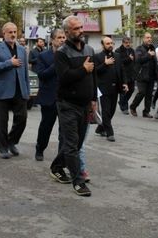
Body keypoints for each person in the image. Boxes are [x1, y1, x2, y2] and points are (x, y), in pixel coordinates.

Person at [49, 15, 97, 197]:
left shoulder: (90, 50)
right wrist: (83, 69)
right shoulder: (61, 53)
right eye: (76, 29)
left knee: (76, 143)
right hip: (67, 104)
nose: (80, 31)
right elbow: (64, 77)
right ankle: (78, 181)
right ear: (67, 32)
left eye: (81, 27)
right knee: (71, 144)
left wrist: (94, 99)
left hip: (85, 104)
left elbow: (94, 77)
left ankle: (56, 166)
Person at [0, 22, 30, 159]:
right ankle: (3, 148)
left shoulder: (22, 50)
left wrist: (27, 90)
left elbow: (25, 72)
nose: (13, 34)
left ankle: (12, 141)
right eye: (10, 32)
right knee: (2, 121)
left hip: (20, 89)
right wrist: (9, 63)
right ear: (4, 34)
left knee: (22, 119)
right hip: (3, 90)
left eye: (15, 32)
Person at [34, 28, 66, 161]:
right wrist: (56, 64)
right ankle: (40, 148)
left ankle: (61, 157)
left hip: (65, 98)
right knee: (46, 127)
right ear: (52, 40)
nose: (62, 40)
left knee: (64, 131)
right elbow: (41, 75)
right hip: (49, 98)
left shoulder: (68, 55)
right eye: (59, 37)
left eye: (64, 37)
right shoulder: (43, 56)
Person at [94, 36, 128, 141]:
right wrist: (105, 64)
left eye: (111, 43)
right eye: (107, 44)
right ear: (103, 45)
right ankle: (110, 133)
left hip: (115, 87)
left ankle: (100, 128)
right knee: (106, 111)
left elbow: (122, 70)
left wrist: (125, 83)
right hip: (103, 88)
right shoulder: (98, 56)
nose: (110, 45)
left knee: (112, 111)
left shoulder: (117, 56)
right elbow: (94, 71)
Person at [129, 32, 156, 118]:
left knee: (149, 94)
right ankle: (133, 107)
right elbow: (139, 60)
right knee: (142, 92)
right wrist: (148, 55)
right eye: (147, 37)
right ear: (143, 39)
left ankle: (146, 112)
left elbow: (154, 62)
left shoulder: (152, 48)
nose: (149, 39)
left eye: (150, 38)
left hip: (151, 75)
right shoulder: (139, 49)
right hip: (141, 75)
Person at [115, 36, 135, 115]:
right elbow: (118, 62)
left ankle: (122, 102)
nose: (128, 44)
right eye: (126, 43)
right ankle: (124, 108)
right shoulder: (118, 51)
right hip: (123, 74)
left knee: (131, 90)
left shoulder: (131, 50)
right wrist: (128, 59)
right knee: (124, 91)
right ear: (123, 43)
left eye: (129, 43)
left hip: (131, 73)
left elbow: (134, 61)